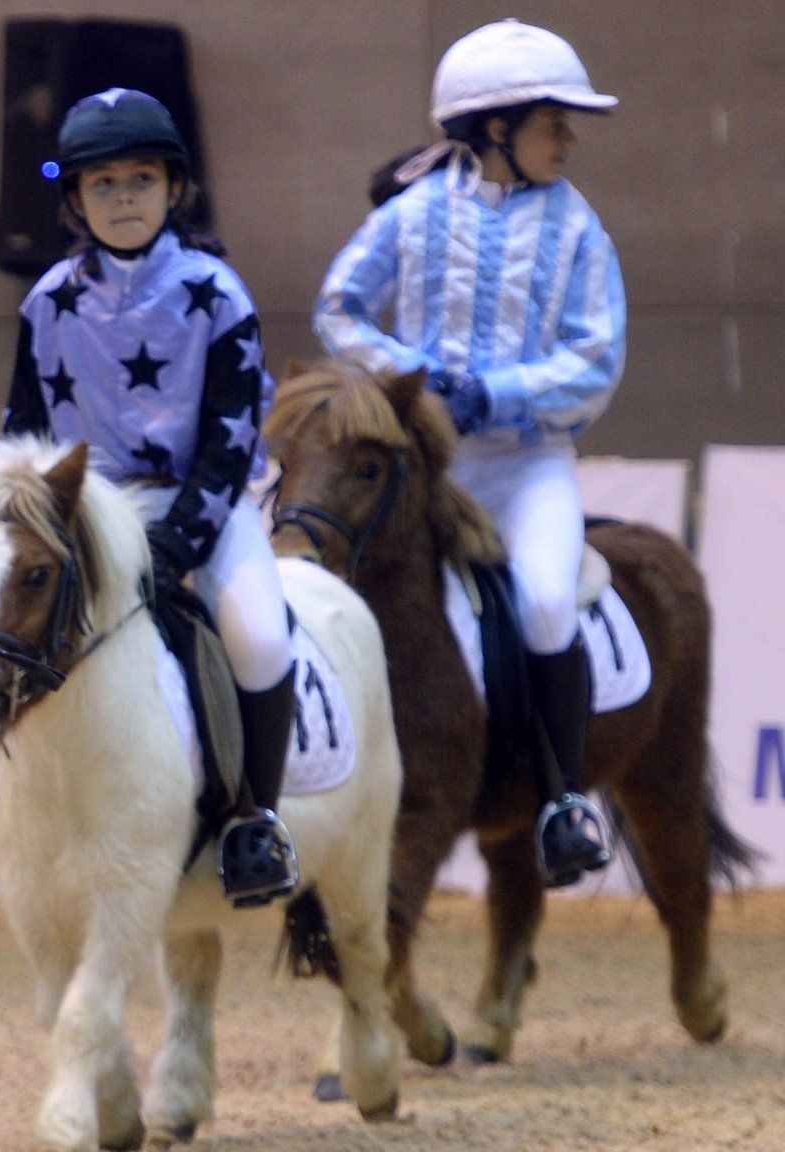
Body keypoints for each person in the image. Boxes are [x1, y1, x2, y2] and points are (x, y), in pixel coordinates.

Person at [316, 19, 623, 887]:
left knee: (544, 605)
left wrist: (501, 393)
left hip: (529, 468)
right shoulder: (411, 216)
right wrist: (409, 377)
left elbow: (596, 359)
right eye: (552, 123)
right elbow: (339, 309)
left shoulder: (578, 231)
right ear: (496, 128)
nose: (567, 141)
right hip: (427, 469)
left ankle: (563, 801)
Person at [0, 88, 299, 908]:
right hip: (87, 515)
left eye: (140, 180)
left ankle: (254, 820)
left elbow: (231, 438)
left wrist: (177, 547)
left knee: (260, 639)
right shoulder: (47, 300)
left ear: (175, 190)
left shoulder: (218, 292)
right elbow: (24, 426)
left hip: (199, 509)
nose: (123, 198)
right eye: (103, 185)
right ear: (74, 199)